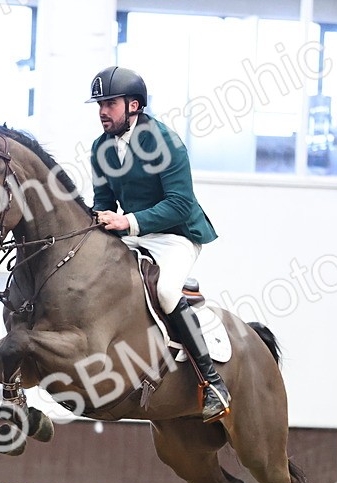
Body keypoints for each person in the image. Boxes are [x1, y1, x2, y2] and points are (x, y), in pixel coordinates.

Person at [87, 66, 229, 424]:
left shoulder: (164, 141)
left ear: (134, 105)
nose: (103, 111)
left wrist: (128, 222)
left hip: (177, 235)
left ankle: (212, 383)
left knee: (165, 289)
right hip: (136, 234)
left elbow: (181, 202)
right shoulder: (100, 147)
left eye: (110, 104)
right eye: (100, 104)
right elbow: (104, 200)